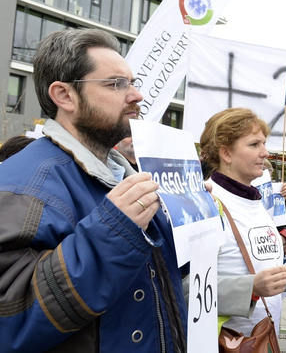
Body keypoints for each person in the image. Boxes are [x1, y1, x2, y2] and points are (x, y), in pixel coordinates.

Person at [0, 28, 187, 352]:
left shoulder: (129, 179)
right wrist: (114, 231)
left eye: (132, 82)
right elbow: (10, 316)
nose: (136, 95)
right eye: (117, 84)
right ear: (65, 96)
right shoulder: (21, 185)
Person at [199, 108, 286, 335]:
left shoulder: (255, 202)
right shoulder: (207, 203)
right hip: (228, 343)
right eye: (254, 145)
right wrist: (251, 288)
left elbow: (269, 271)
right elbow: (184, 290)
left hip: (263, 339)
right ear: (226, 153)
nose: (265, 153)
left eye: (264, 143)